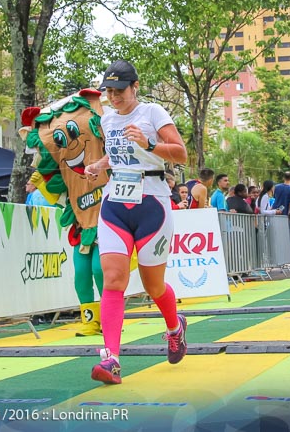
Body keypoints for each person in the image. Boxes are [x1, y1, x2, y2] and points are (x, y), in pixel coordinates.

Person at [84, 60, 189, 385]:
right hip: (115, 202)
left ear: (135, 87)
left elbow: (181, 154)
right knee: (113, 279)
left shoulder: (153, 113)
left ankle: (175, 327)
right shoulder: (107, 119)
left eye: (119, 91)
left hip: (152, 203)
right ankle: (112, 359)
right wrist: (98, 165)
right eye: (109, 92)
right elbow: (117, 155)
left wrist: (149, 144)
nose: (113, 97)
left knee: (152, 285)